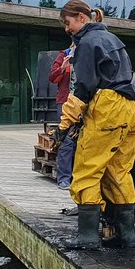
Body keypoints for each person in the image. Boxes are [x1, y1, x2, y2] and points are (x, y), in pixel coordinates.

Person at [55, 0, 135, 249]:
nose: (67, 28)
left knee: (87, 171)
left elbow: (83, 88)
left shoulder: (87, 43)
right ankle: (128, 236)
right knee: (119, 171)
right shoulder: (112, 39)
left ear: (82, 18)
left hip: (108, 108)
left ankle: (88, 238)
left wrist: (64, 126)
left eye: (68, 22)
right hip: (132, 107)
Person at [49, 39, 76, 190]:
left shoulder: (89, 54)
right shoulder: (63, 55)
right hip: (65, 102)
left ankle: (79, 177)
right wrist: (63, 67)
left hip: (85, 102)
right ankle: (64, 178)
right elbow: (52, 77)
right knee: (66, 140)